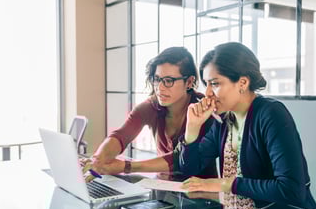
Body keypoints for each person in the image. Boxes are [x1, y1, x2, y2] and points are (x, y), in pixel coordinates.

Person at [179, 42, 316, 209]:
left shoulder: (271, 114)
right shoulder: (224, 120)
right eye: (206, 84)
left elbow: (290, 189)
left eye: (215, 84)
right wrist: (192, 128)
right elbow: (189, 168)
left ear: (243, 82)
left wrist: (225, 184)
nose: (207, 93)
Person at [82, 47, 218, 180]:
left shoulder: (204, 109)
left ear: (189, 82)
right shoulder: (151, 106)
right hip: (162, 189)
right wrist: (97, 160)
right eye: (157, 79)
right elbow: (120, 135)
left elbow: (179, 159)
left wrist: (126, 166)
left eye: (169, 81)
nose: (160, 88)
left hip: (200, 196)